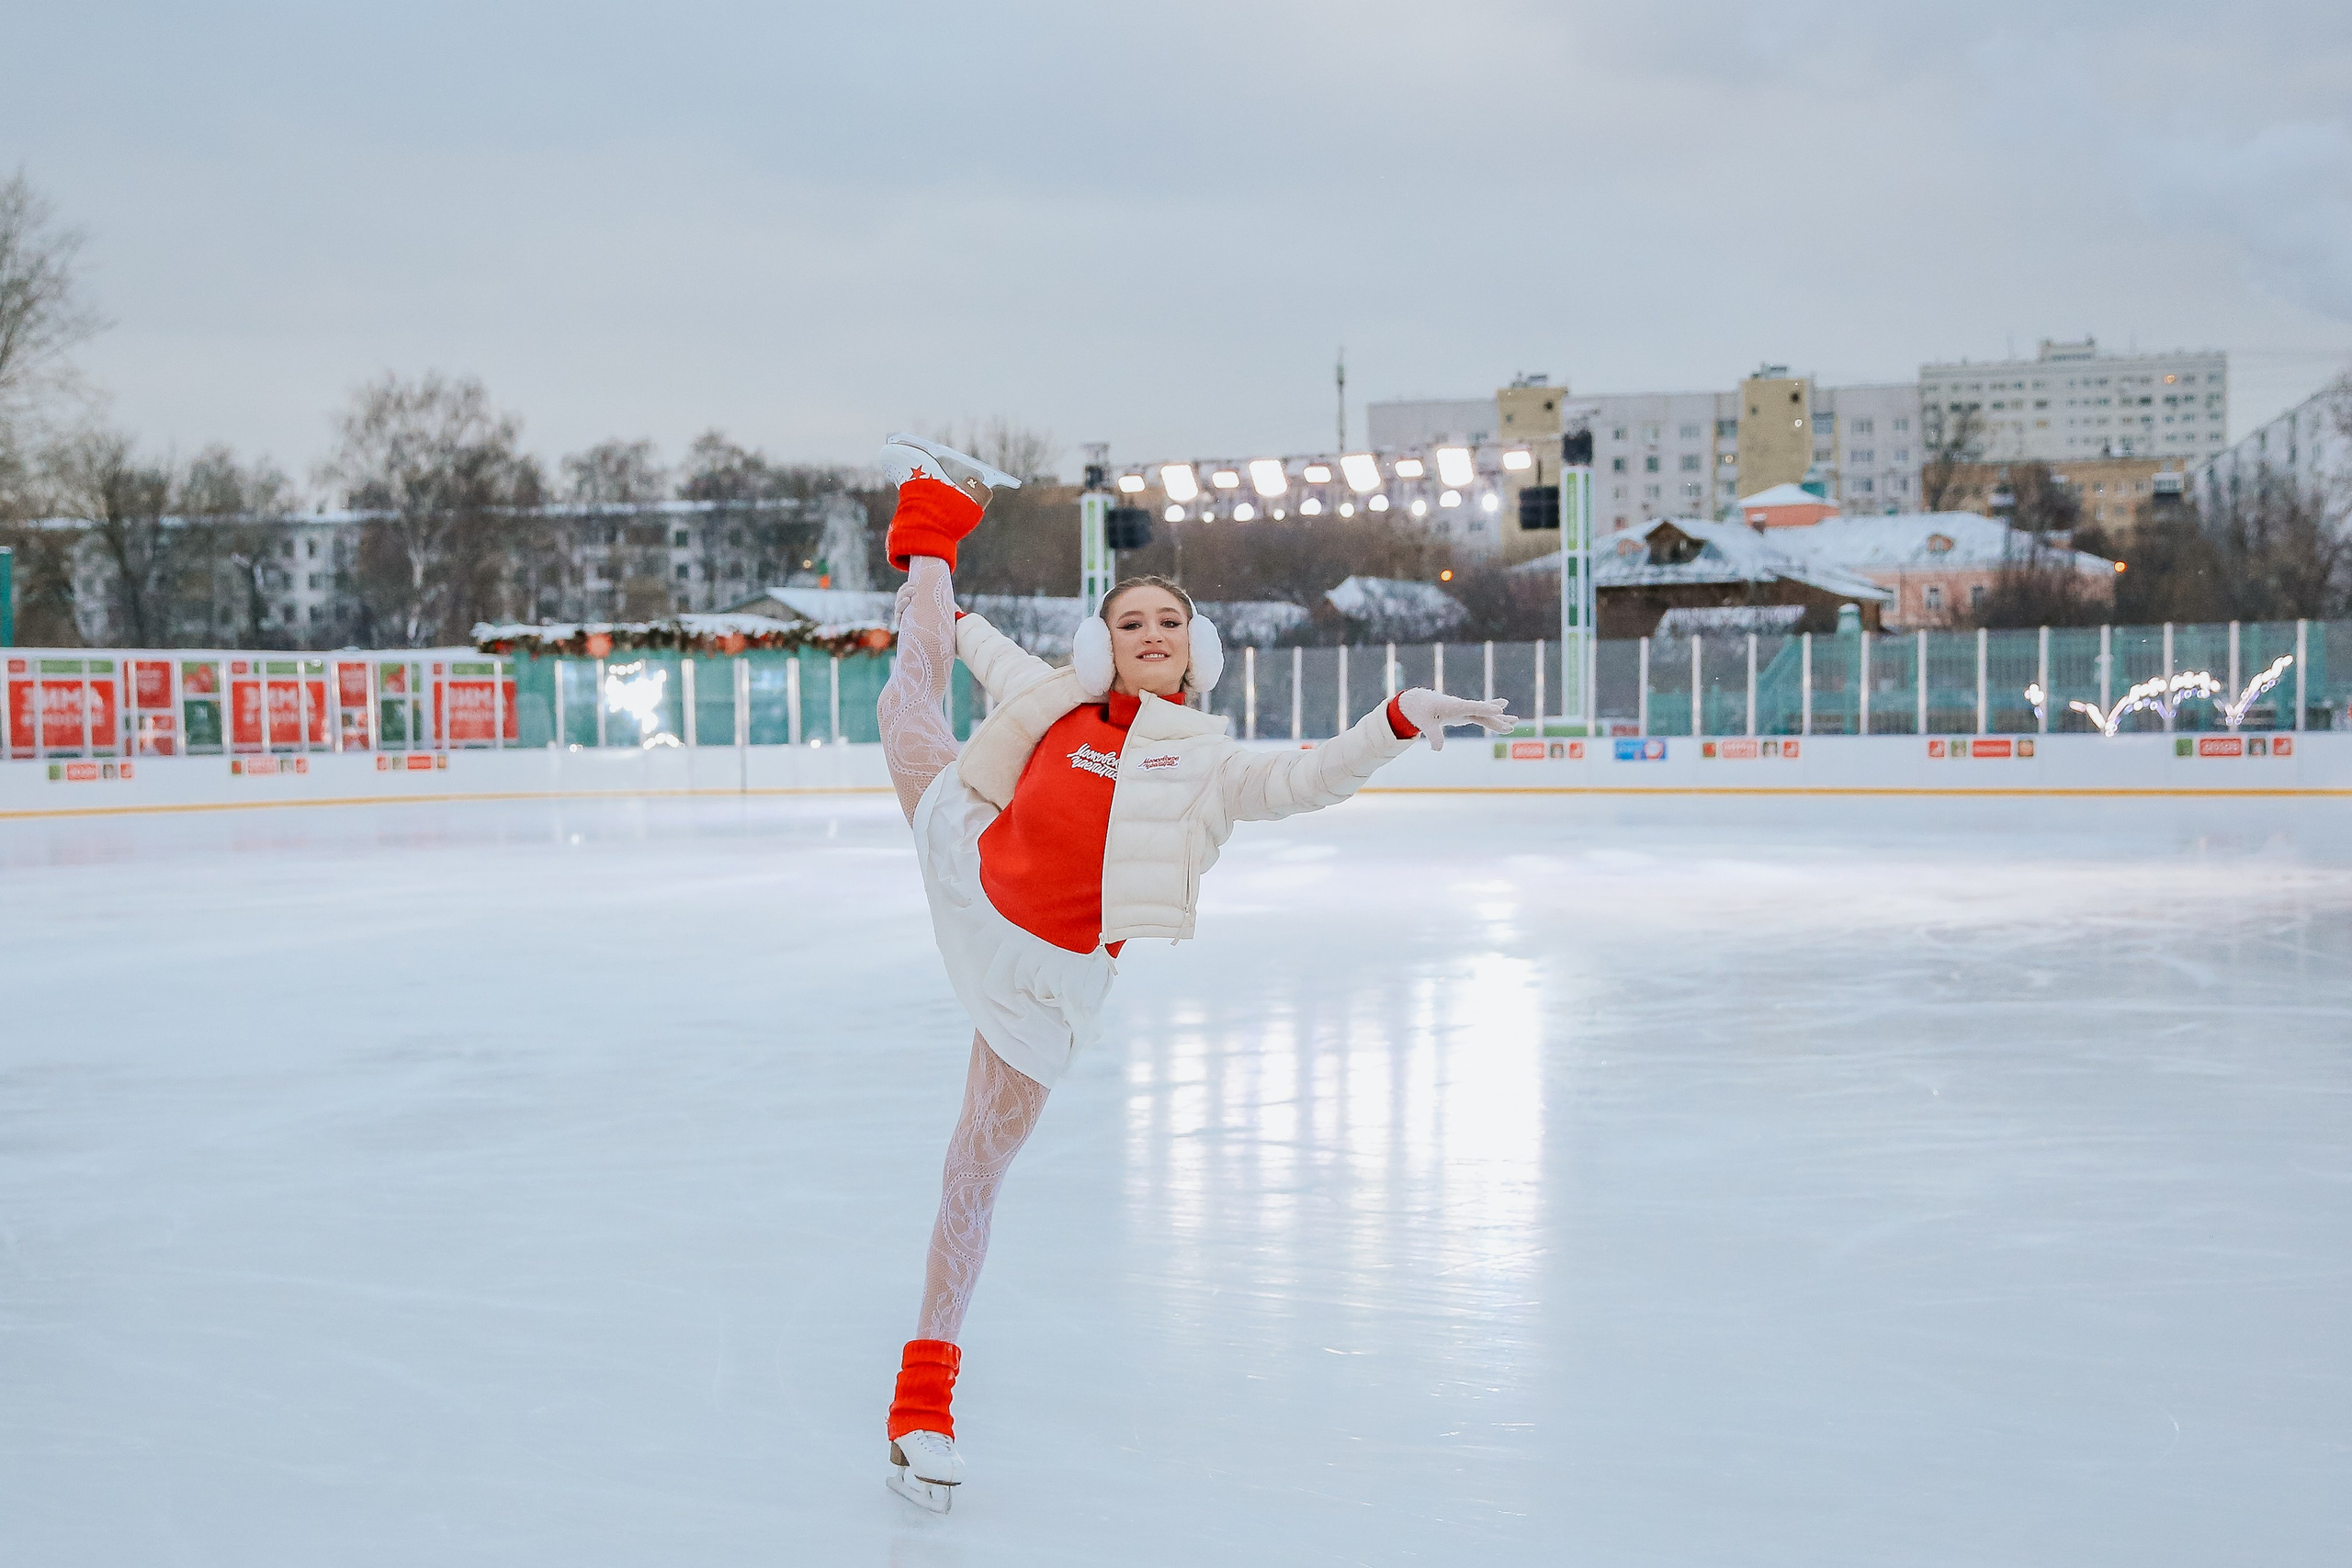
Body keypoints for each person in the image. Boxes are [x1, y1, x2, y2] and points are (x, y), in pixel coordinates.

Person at [870, 434, 1514, 1512]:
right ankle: (926, 522)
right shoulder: (1058, 704)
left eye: (1170, 621)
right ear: (1103, 644)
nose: (1152, 634)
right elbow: (971, 647)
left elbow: (1311, 777)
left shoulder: (1208, 763)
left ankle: (921, 1404)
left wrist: (1398, 718)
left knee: (971, 1171)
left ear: (1196, 645)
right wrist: (939, 596)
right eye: (1131, 623)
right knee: (908, 705)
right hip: (968, 865)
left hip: (1041, 980)